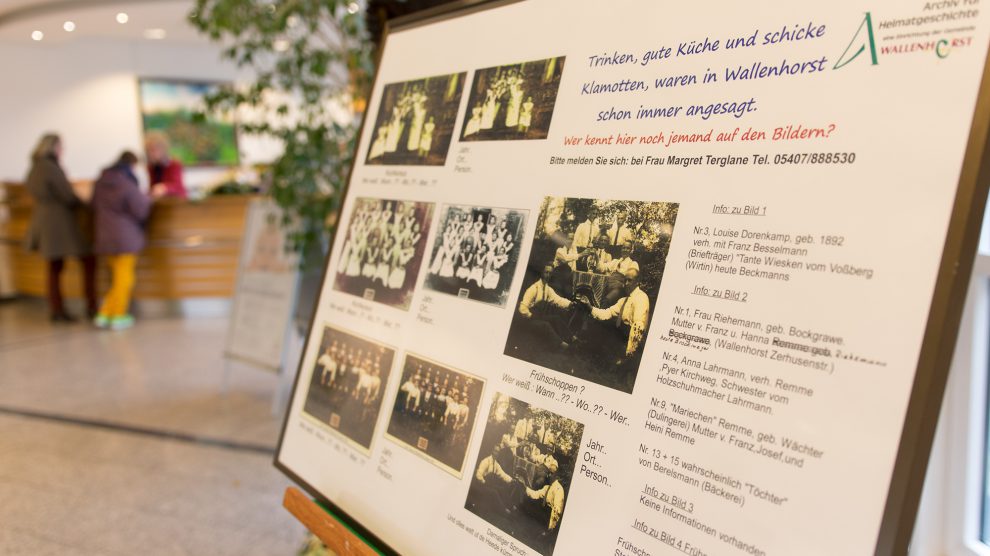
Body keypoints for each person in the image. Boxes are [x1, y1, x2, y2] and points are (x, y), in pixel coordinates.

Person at [24, 133, 98, 321]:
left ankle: (57, 309)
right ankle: (91, 306)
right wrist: (86, 203)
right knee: (88, 260)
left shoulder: (35, 167)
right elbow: (67, 195)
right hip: (59, 222)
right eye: (61, 147)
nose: (62, 151)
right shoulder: (50, 167)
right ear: (53, 147)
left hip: (42, 220)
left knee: (54, 267)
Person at [91, 151, 162, 329]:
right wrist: (151, 198)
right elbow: (140, 208)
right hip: (124, 236)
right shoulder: (125, 182)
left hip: (104, 235)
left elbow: (92, 205)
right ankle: (118, 315)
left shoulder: (101, 181)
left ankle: (105, 313)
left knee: (116, 277)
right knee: (125, 278)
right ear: (132, 165)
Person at [581, 268, 650, 364]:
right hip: (621, 333)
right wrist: (589, 307)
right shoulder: (624, 300)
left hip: (629, 339)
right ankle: (591, 356)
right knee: (600, 325)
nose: (625, 284)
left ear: (637, 282)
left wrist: (629, 355)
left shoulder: (641, 298)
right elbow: (606, 313)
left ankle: (620, 362)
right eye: (624, 280)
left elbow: (638, 327)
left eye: (629, 280)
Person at [144, 131, 187, 199]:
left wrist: (164, 187)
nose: (151, 153)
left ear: (163, 148)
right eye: (149, 150)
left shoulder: (174, 164)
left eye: (153, 149)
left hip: (176, 203)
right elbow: (152, 188)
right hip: (161, 203)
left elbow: (178, 187)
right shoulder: (151, 167)